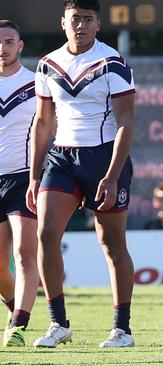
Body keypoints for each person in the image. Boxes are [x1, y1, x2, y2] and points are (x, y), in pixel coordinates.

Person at [27, 0, 136, 348]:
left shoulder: (112, 63)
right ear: (63, 22)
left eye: (88, 19)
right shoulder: (47, 64)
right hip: (61, 158)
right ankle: (59, 324)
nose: (81, 26)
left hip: (104, 158)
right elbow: (43, 123)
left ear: (99, 23)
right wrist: (33, 175)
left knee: (112, 244)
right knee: (45, 233)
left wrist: (112, 174)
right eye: (75, 19)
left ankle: (122, 328)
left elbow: (127, 123)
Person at [0, 20, 39, 347]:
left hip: (23, 178)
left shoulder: (36, 83)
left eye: (9, 41)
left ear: (20, 45)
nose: (3, 48)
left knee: (25, 253)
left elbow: (51, 128)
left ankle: (18, 325)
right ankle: (16, 310)